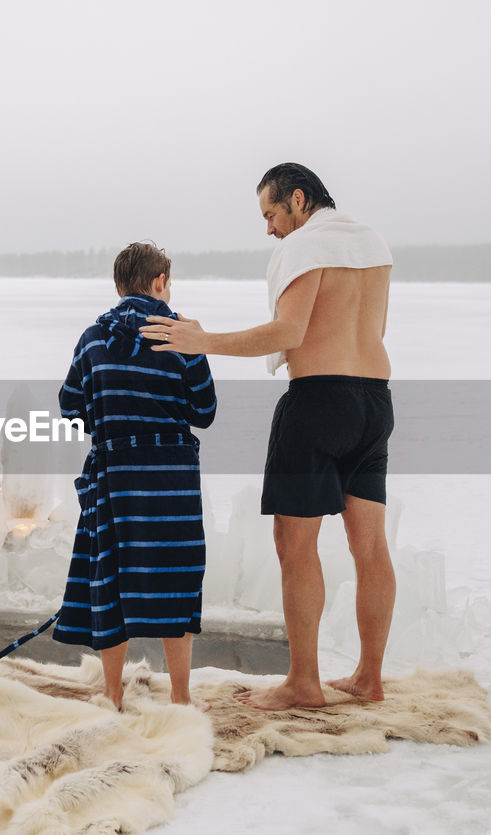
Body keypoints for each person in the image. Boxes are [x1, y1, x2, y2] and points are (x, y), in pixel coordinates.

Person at [140, 163, 396, 710]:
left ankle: (304, 683)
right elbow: (373, 327)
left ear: (298, 201)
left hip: (319, 402)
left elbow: (289, 332)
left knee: (294, 546)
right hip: (375, 401)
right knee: (370, 546)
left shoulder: (306, 246)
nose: (270, 228)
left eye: (272, 214)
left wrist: (200, 341)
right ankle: (369, 679)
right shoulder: (372, 243)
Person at [54, 241, 216, 711]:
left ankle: (112, 694)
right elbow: (204, 411)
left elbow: (70, 406)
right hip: (172, 483)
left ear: (119, 285)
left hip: (115, 480)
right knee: (178, 582)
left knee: (111, 582)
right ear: (160, 282)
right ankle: (182, 698)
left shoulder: (92, 339)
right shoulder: (182, 337)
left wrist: (108, 420)